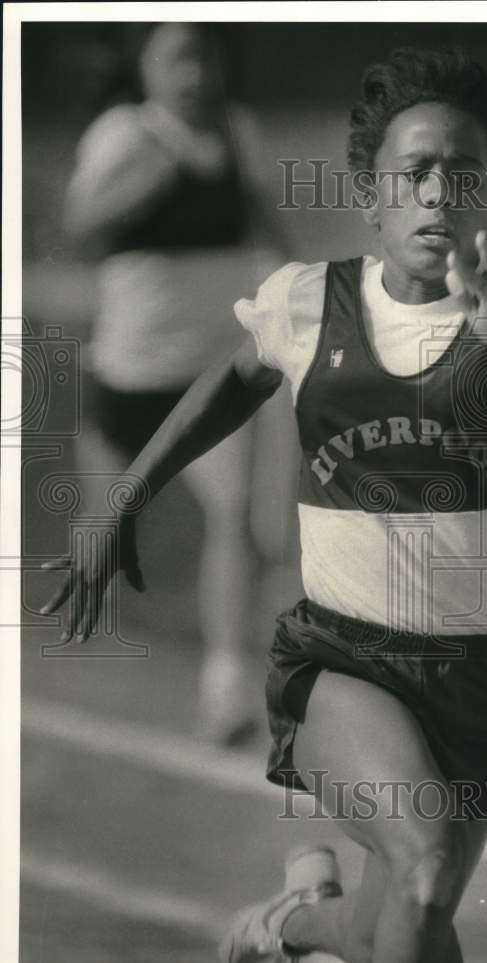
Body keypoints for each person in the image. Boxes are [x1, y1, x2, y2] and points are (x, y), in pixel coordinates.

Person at [41, 48, 487, 963]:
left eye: (466, 174)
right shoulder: (307, 305)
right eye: (414, 174)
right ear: (370, 194)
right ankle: (318, 911)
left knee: (399, 928)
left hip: (482, 676)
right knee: (424, 868)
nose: (439, 194)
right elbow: (223, 387)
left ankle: (299, 918)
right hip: (343, 662)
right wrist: (123, 498)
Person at [62, 22, 288, 743]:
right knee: (104, 531)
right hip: (129, 374)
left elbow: (270, 230)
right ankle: (60, 659)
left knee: (234, 515)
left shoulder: (237, 130)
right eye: (177, 59)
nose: (195, 74)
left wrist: (303, 297)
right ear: (147, 70)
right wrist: (141, 185)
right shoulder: (124, 136)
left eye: (204, 56)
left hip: (212, 374)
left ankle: (225, 686)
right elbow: (75, 230)